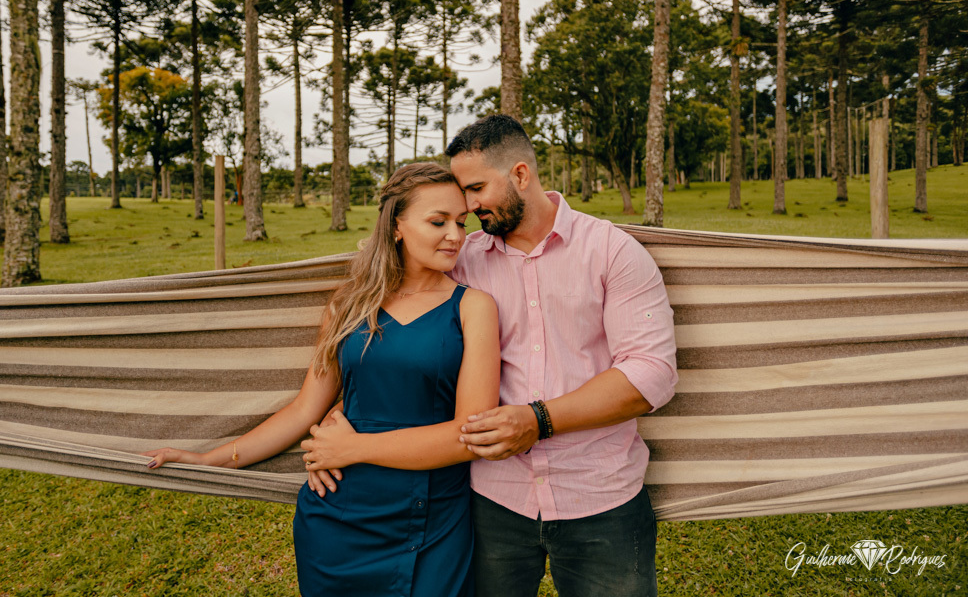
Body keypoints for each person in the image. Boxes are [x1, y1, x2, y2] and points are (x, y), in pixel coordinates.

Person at [143, 162, 500, 597]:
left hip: (433, 521)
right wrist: (208, 459)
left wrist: (353, 447)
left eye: (461, 222)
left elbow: (469, 436)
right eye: (438, 221)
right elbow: (304, 410)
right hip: (338, 519)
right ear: (397, 226)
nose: (456, 236)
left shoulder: (473, 307)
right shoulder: (349, 305)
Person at [445, 114, 678, 597]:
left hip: (602, 496)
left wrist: (538, 420)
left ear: (520, 175)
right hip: (492, 499)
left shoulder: (612, 251)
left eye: (476, 189)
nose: (468, 206)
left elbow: (651, 374)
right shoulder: (460, 261)